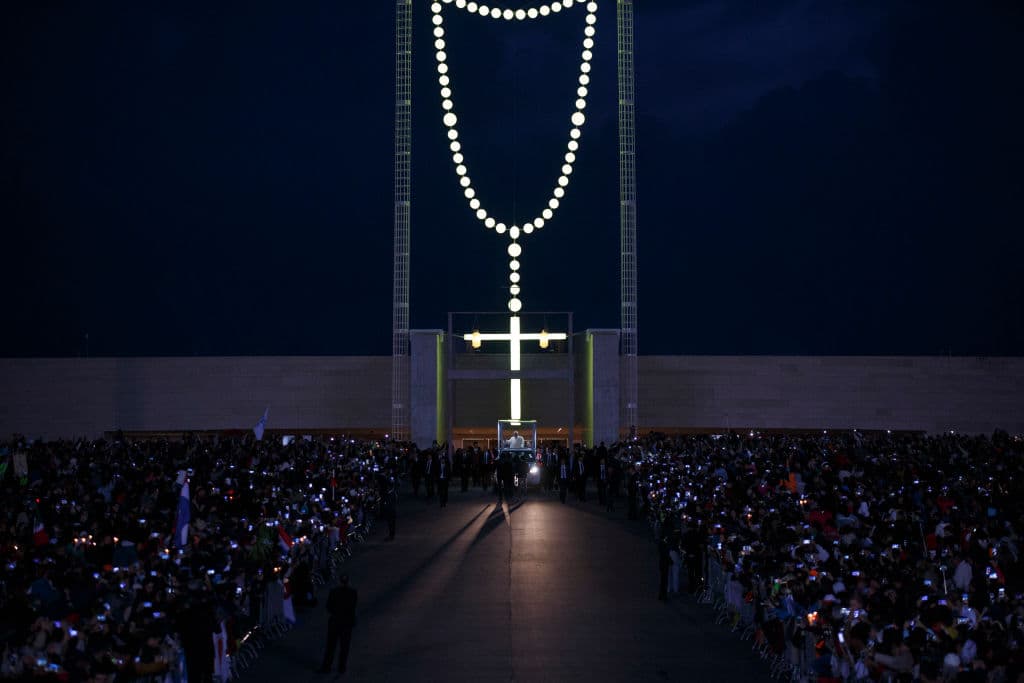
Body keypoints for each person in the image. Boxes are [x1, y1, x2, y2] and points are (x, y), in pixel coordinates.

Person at [319, 575, 358, 675]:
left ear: (340, 581)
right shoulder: (353, 592)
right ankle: (342, 667)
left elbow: (328, 607)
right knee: (344, 646)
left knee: (331, 646)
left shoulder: (334, 592)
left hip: (335, 622)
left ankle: (327, 666)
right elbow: (353, 607)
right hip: (347, 623)